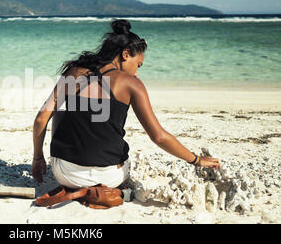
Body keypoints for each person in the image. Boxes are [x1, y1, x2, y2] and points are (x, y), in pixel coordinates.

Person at [31, 19, 220, 189]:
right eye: (138, 65)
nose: (137, 73)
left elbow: (41, 119)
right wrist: (196, 160)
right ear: (126, 53)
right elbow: (159, 137)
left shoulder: (75, 72)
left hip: (66, 175)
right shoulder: (132, 84)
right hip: (110, 177)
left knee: (60, 113)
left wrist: (38, 157)